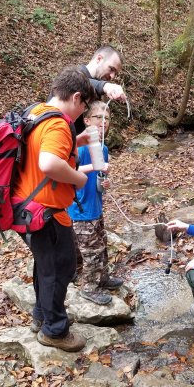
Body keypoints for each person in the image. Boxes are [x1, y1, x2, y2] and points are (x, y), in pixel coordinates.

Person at [12, 66, 97, 351]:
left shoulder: (36, 111)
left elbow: (39, 148)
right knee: (61, 269)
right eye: (84, 105)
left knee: (45, 266)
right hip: (45, 212)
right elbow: (48, 163)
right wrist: (79, 178)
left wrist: (77, 141)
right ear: (76, 97)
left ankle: (42, 316)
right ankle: (55, 331)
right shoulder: (59, 123)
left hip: (25, 207)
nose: (82, 114)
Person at [68, 101, 123, 305]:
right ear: (87, 120)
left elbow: (98, 177)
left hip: (95, 206)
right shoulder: (79, 147)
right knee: (91, 250)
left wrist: (104, 181)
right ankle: (88, 287)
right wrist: (93, 167)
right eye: (98, 118)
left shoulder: (103, 148)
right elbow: (68, 172)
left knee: (102, 244)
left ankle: (103, 278)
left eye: (106, 118)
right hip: (79, 208)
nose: (103, 122)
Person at [76, 45, 127, 134]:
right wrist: (106, 86)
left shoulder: (98, 87)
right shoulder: (73, 76)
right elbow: (79, 81)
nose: (112, 76)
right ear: (99, 59)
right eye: (111, 69)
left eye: (115, 73)